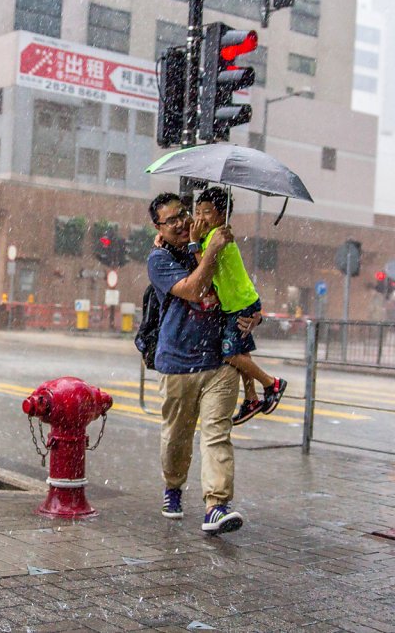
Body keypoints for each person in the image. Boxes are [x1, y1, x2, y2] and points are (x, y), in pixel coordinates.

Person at [147, 191, 259, 536]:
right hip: (178, 361)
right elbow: (196, 290)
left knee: (216, 436)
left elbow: (238, 287)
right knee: (177, 438)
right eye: (172, 220)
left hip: (218, 361)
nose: (182, 223)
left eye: (184, 214)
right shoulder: (159, 259)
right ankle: (173, 486)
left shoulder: (215, 241)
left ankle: (216, 506)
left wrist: (253, 314)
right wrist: (207, 251)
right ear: (158, 228)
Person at [191, 187, 287, 425]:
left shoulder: (217, 237)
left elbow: (205, 269)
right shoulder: (212, 235)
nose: (200, 218)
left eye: (207, 212)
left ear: (222, 215)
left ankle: (271, 383)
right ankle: (252, 399)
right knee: (242, 352)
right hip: (237, 305)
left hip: (240, 305)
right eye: (197, 212)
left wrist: (194, 244)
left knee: (231, 353)